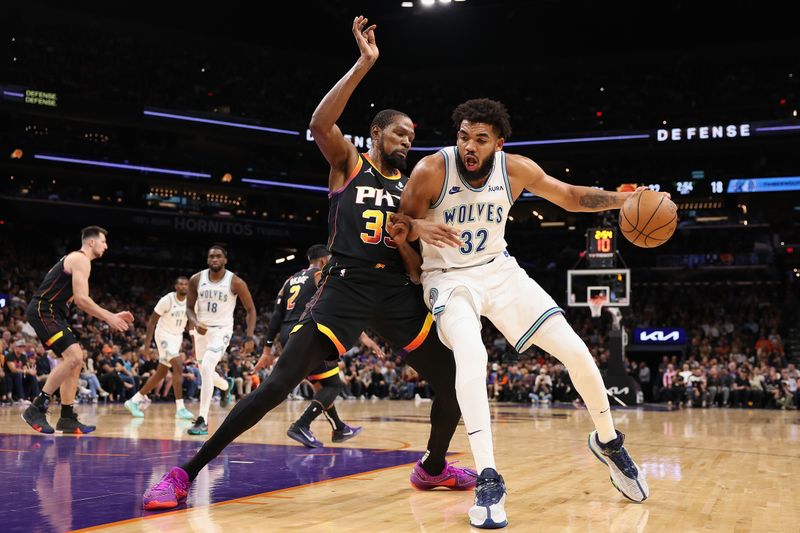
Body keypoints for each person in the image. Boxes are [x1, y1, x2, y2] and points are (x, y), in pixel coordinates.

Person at [142, 16, 474, 511]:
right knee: (276, 386)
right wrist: (365, 63)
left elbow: (411, 267)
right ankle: (184, 473)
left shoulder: (410, 193)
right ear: (376, 133)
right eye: (399, 134)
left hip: (395, 294)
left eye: (412, 137)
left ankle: (432, 467)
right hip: (344, 287)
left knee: (453, 381)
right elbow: (319, 124)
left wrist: (407, 236)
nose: (407, 142)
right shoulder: (348, 164)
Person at [395, 98, 657, 528]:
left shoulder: (514, 169)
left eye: (480, 139)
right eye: (463, 137)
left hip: (499, 270)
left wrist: (628, 200)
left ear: (499, 143)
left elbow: (571, 198)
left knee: (575, 351)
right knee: (472, 354)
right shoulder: (431, 171)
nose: (469, 146)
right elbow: (397, 227)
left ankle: (609, 443)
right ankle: (488, 477)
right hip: (447, 276)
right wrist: (418, 228)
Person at [255, 244, 378, 448]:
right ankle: (301, 425)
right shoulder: (321, 274)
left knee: (322, 386)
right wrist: (362, 336)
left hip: (287, 335)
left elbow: (276, 315)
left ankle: (339, 428)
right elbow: (337, 304)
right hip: (307, 333)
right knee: (334, 386)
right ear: (323, 261)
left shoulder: (289, 281)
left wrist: (268, 348)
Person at [22, 226, 133, 434]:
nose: (106, 246)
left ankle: (67, 418)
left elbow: (78, 298)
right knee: (73, 356)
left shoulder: (75, 261)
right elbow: (82, 300)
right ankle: (36, 408)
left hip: (54, 313)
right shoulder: (80, 259)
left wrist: (111, 314)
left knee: (76, 361)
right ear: (91, 242)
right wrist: (109, 316)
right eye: (103, 242)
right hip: (45, 310)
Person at [185, 245, 257, 436]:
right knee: (205, 371)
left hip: (222, 330)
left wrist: (249, 336)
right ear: (208, 260)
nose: (214, 259)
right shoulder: (196, 279)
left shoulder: (235, 282)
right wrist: (194, 322)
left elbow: (251, 309)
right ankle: (226, 386)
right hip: (200, 330)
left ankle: (202, 420)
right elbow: (189, 308)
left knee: (208, 366)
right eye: (211, 257)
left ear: (225, 259)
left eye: (218, 256)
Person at [124, 277, 194, 420]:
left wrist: (194, 344)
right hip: (163, 335)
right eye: (180, 284)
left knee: (160, 374)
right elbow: (151, 322)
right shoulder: (167, 300)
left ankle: (134, 401)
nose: (183, 286)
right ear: (175, 286)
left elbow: (191, 324)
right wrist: (147, 345)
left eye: (186, 284)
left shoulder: (191, 302)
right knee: (178, 366)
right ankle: (180, 408)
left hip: (177, 337)